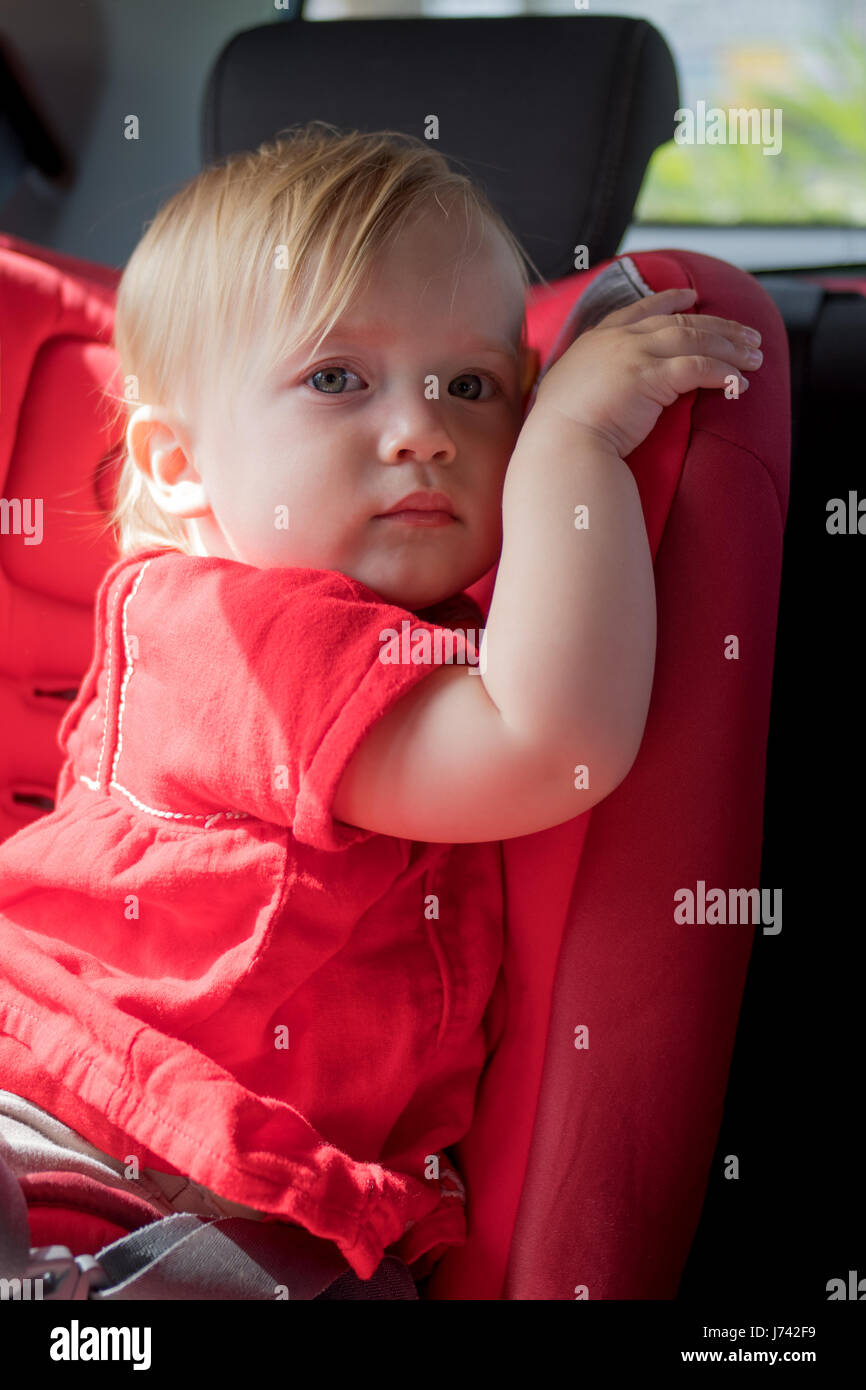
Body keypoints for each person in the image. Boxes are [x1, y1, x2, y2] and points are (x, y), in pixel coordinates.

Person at [0, 122, 763, 1295]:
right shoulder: (237, 628)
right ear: (174, 465)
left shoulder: (442, 631)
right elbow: (548, 747)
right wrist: (572, 444)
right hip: (86, 1119)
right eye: (336, 379)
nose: (424, 430)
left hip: (214, 1184)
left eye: (473, 386)